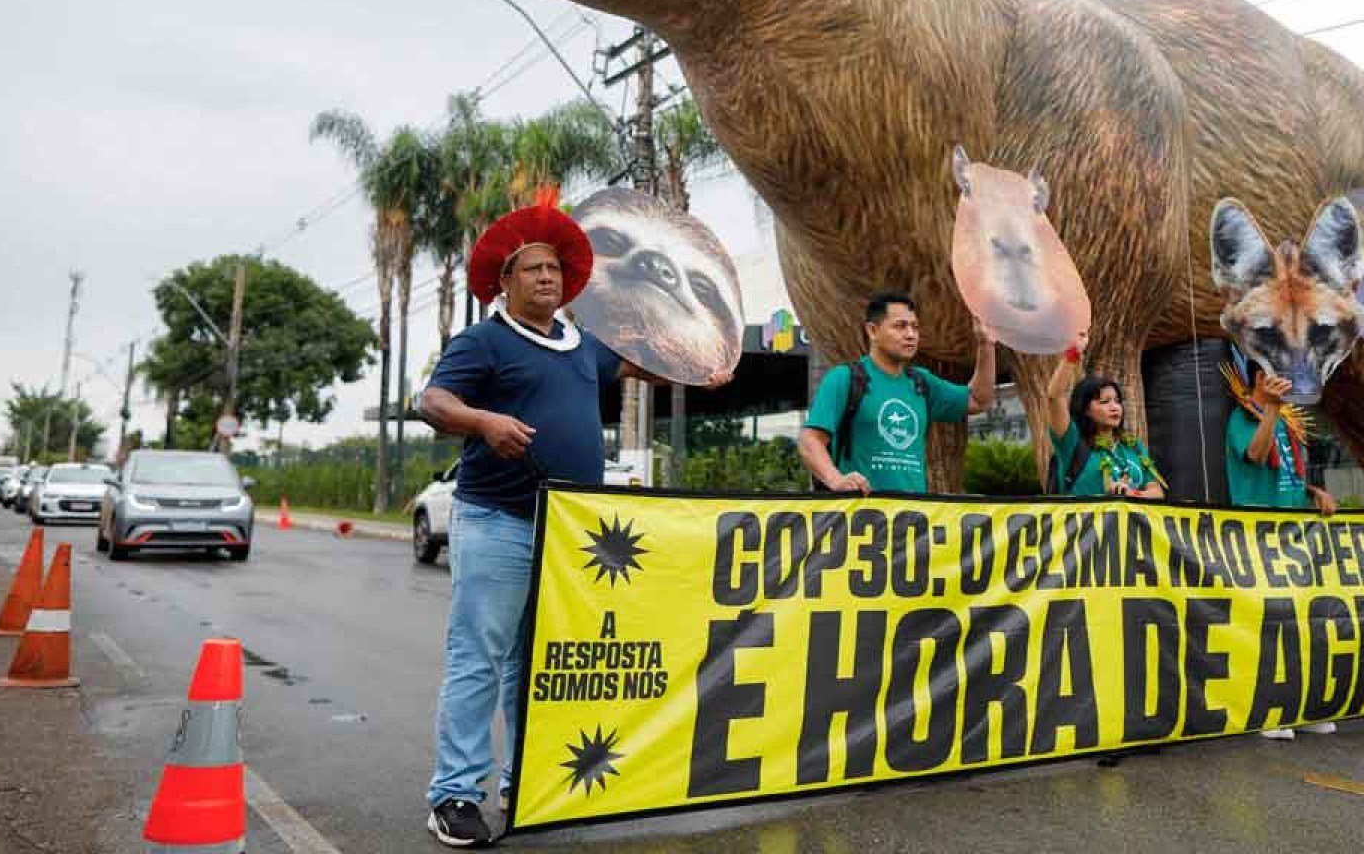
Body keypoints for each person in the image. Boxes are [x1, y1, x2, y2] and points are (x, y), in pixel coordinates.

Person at [417, 193, 728, 847]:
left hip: (566, 532)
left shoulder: (583, 345)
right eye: (532, 268)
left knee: (534, 665)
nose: (547, 277)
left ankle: (524, 781)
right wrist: (484, 421)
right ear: (505, 281)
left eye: (555, 268)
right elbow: (434, 402)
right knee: (479, 656)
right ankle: (454, 795)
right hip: (497, 519)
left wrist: (703, 367)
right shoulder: (483, 341)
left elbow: (644, 365)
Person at [1221, 351, 1338, 739]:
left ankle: (1302, 706)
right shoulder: (1241, 419)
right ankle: (1266, 710)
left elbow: (1286, 475)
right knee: (1269, 623)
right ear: (1259, 380)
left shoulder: (1286, 421)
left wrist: (1313, 492)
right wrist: (1271, 408)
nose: (1288, 383)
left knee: (1303, 621)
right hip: (1259, 536)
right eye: (1279, 376)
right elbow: (1255, 455)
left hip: (1295, 535)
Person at [800, 291, 997, 493]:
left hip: (912, 510)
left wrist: (986, 344)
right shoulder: (844, 378)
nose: (911, 335)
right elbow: (810, 440)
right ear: (872, 331)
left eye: (915, 327)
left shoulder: (921, 382)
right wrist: (836, 480)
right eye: (900, 326)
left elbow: (978, 400)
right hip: (862, 510)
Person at [1043, 336, 1164, 498]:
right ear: (1086, 409)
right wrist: (1073, 353)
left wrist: (1131, 493)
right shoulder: (1071, 442)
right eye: (1105, 402)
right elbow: (1054, 396)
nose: (1114, 407)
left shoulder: (1134, 447)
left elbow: (1157, 492)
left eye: (1117, 401)